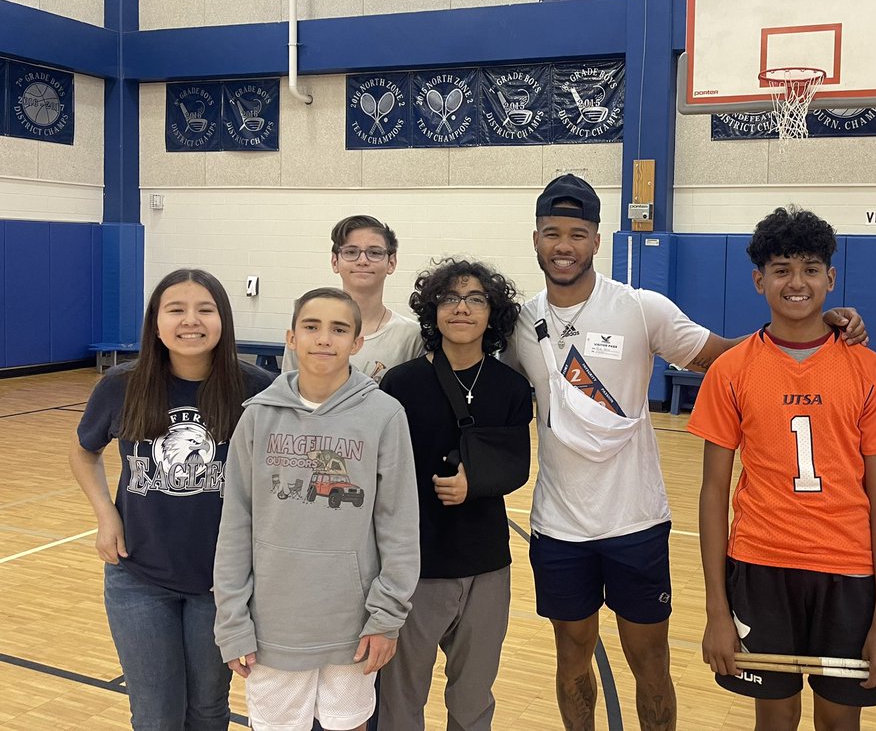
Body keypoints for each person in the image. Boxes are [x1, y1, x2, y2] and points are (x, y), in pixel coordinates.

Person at [505, 175, 866, 731]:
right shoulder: (516, 326)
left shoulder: (641, 307)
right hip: (558, 525)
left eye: (577, 233)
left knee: (650, 661)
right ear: (535, 239)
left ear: (597, 240)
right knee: (571, 655)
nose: (564, 246)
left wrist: (818, 327)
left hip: (637, 521)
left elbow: (728, 359)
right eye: (552, 233)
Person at [689, 206, 876, 731]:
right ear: (760, 280)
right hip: (761, 565)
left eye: (810, 268)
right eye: (781, 269)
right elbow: (713, 492)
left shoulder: (871, 370)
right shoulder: (731, 371)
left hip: (849, 571)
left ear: (830, 279)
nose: (796, 282)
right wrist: (717, 611)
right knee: (776, 719)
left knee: (838, 722)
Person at [68, 268, 275, 731]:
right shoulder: (121, 385)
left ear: (223, 319)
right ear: (156, 322)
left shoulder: (256, 390)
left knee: (207, 710)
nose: (190, 321)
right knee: (156, 715)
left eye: (205, 309)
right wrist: (106, 515)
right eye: (175, 309)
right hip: (138, 576)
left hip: (221, 585)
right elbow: (84, 452)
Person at [214, 287, 420, 731]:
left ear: (357, 343)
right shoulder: (257, 416)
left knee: (348, 726)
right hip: (274, 626)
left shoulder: (385, 415)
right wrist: (231, 620)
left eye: (339, 329)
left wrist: (387, 619)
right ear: (291, 338)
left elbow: (399, 526)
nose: (324, 338)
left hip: (353, 624)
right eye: (311, 327)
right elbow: (235, 523)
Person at [377, 258, 533, 730]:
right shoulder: (400, 384)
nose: (462, 309)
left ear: (492, 313)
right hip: (418, 567)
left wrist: (477, 481)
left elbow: (515, 464)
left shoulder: (511, 387)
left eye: (475, 299)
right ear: (434, 310)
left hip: (487, 566)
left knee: (472, 698)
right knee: (401, 697)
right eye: (450, 298)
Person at [282, 215, 423, 381]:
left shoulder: (411, 336)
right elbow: (288, 397)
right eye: (351, 252)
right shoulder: (307, 329)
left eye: (374, 253)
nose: (362, 261)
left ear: (391, 263)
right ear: (335, 261)